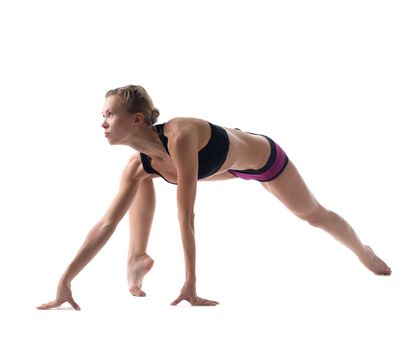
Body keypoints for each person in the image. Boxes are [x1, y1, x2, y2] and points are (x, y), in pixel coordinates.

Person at [37, 84, 392, 311]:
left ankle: (363, 251)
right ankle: (137, 256)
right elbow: (106, 222)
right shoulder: (137, 164)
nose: (102, 122)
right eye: (102, 115)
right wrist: (66, 280)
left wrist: (191, 282)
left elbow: (186, 215)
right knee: (142, 176)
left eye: (109, 114)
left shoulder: (181, 135)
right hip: (225, 168)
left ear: (137, 119)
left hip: (264, 159)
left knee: (313, 215)